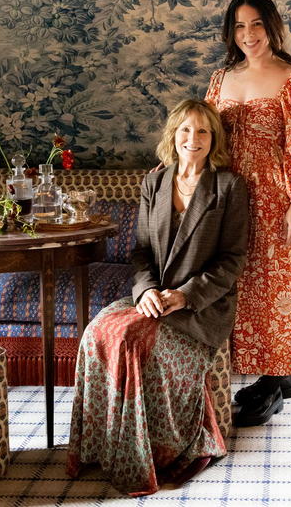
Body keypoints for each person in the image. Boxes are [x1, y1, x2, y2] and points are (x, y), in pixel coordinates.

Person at [66, 99, 250, 497]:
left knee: (134, 344)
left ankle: (151, 452)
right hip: (153, 298)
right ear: (173, 135)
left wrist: (185, 296)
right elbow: (141, 252)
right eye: (185, 129)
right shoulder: (154, 183)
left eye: (203, 131)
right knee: (96, 334)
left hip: (201, 307)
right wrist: (147, 290)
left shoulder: (230, 187)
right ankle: (102, 445)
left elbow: (232, 260)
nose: (193, 138)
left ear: (214, 138)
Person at [204, 0, 291, 427]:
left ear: (271, 26)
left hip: (278, 196)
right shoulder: (222, 79)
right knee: (241, 285)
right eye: (240, 26)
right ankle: (274, 379)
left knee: (278, 288)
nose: (248, 34)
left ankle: (276, 381)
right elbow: (203, 133)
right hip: (230, 197)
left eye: (256, 24)